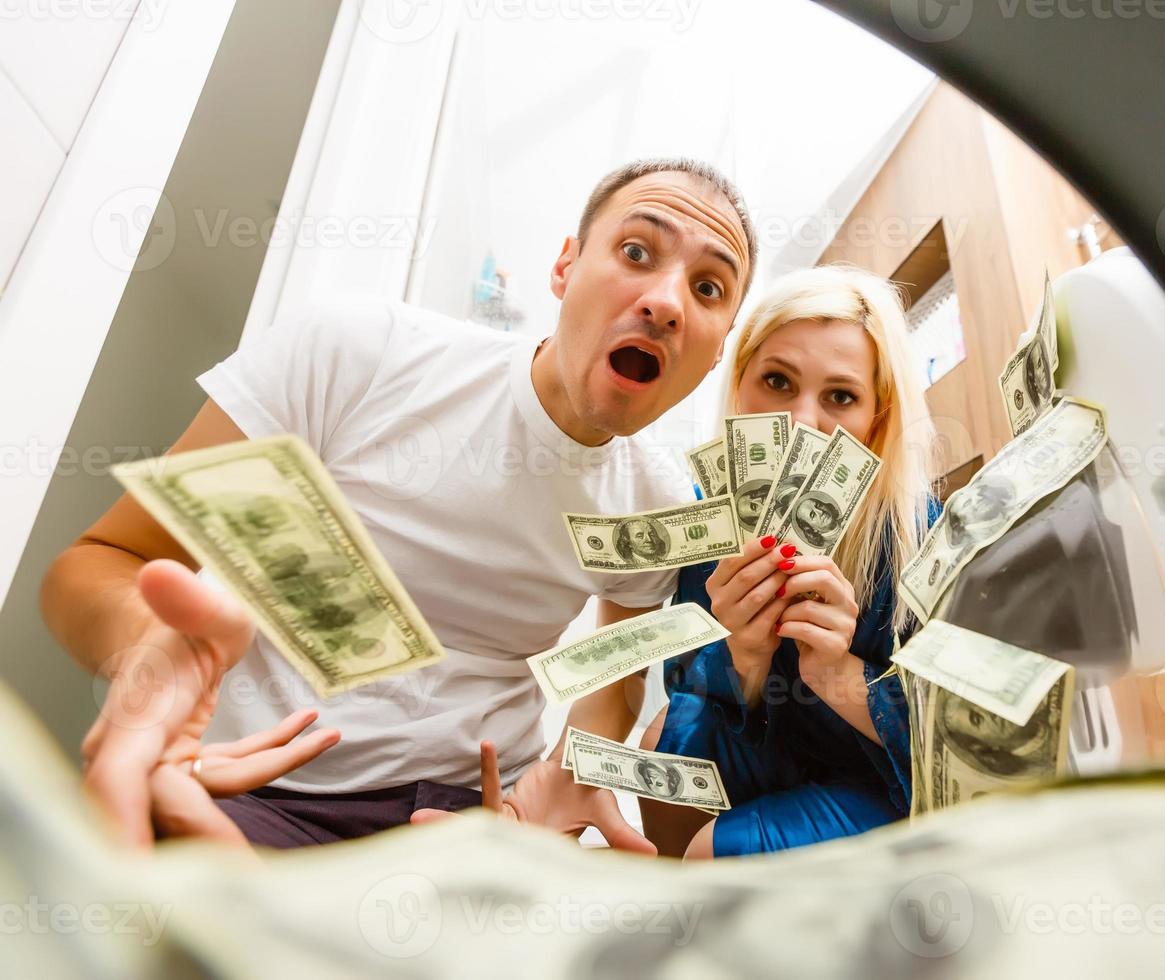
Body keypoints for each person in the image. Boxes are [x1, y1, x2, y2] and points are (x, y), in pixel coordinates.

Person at [41, 158, 757, 849]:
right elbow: (100, 561)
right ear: (565, 266)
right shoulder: (357, 353)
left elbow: (613, 675)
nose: (665, 302)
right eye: (636, 250)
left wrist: (571, 767)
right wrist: (150, 667)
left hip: (465, 816)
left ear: (719, 345)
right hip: (246, 783)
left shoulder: (662, 505)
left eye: (708, 289)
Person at [638, 265, 941, 859]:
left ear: (874, 417)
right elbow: (691, 707)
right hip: (765, 747)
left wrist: (834, 670)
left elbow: (953, 747)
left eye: (840, 396)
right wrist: (742, 659)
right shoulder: (715, 523)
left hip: (882, 779)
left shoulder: (917, 532)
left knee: (711, 851)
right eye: (777, 381)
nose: (803, 421)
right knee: (657, 766)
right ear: (740, 387)